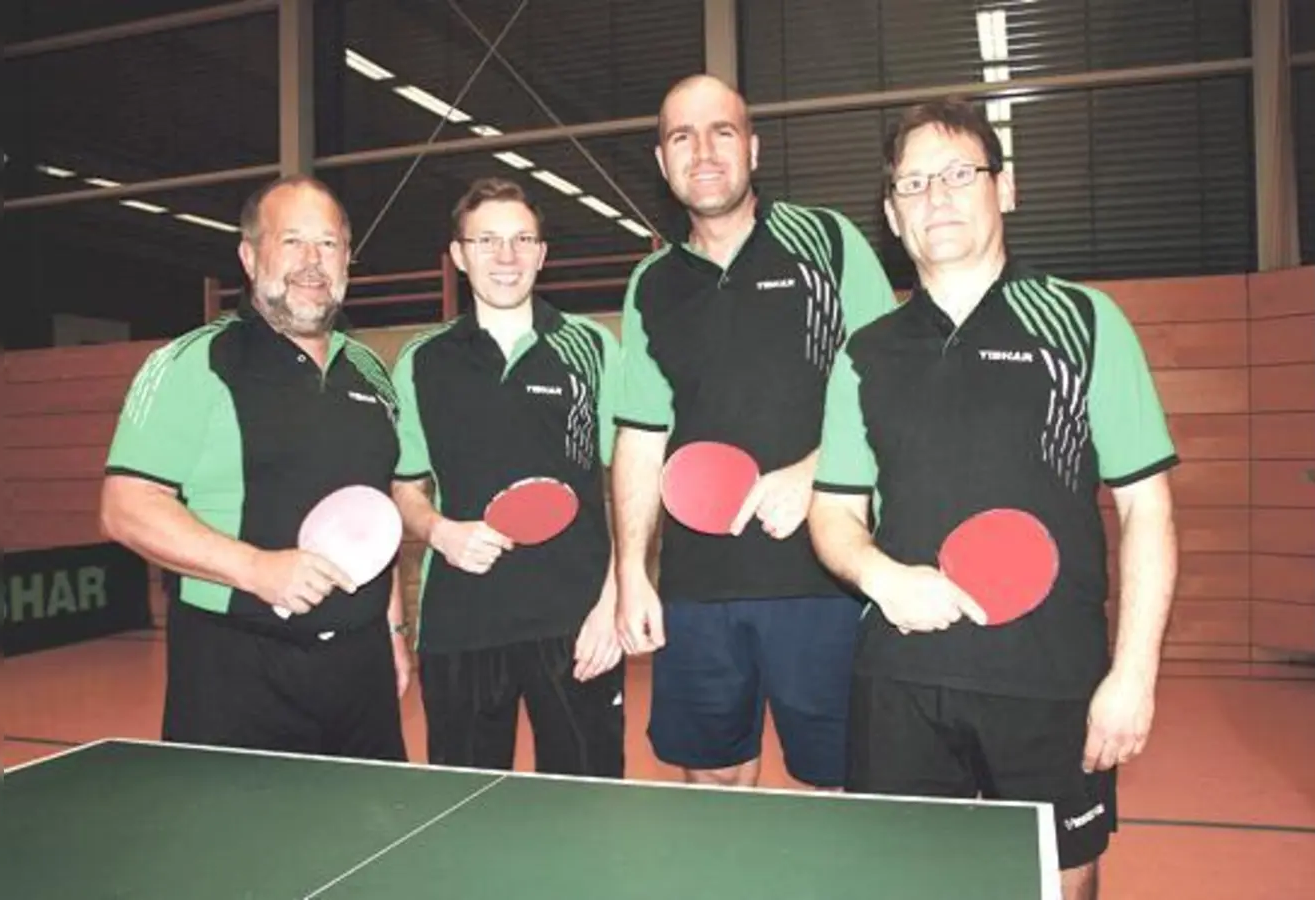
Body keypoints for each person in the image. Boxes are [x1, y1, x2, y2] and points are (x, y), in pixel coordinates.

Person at [806, 97, 1179, 900]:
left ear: (1003, 190)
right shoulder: (862, 355)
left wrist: (1134, 673)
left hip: (1050, 680)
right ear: (891, 215)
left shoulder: (1085, 323)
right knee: (903, 884)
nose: (935, 197)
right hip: (899, 680)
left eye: (957, 174)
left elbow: (1148, 506)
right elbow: (832, 511)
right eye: (913, 184)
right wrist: (880, 577)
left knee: (1061, 886)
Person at [612, 74, 896, 789]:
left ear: (754, 149)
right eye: (682, 136)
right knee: (713, 782)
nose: (702, 150)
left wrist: (812, 472)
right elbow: (642, 440)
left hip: (825, 579)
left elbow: (893, 385)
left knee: (839, 787)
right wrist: (630, 576)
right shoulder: (652, 283)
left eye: (722, 131)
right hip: (698, 590)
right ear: (661, 160)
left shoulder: (827, 242)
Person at [100, 174, 411, 761]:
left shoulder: (371, 370)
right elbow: (125, 507)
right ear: (249, 256)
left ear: (348, 260)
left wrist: (393, 631)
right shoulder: (192, 363)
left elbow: (373, 514)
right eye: (291, 241)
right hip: (236, 670)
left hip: (361, 669)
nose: (312, 262)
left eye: (329, 244)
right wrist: (255, 568)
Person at [390, 177, 624, 778]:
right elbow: (405, 485)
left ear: (542, 254)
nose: (507, 255)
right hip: (460, 625)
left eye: (522, 239)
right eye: (487, 240)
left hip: (575, 625)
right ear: (459, 255)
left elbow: (630, 480)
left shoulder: (591, 348)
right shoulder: (422, 360)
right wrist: (439, 531)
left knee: (588, 808)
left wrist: (612, 604)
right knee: (463, 813)